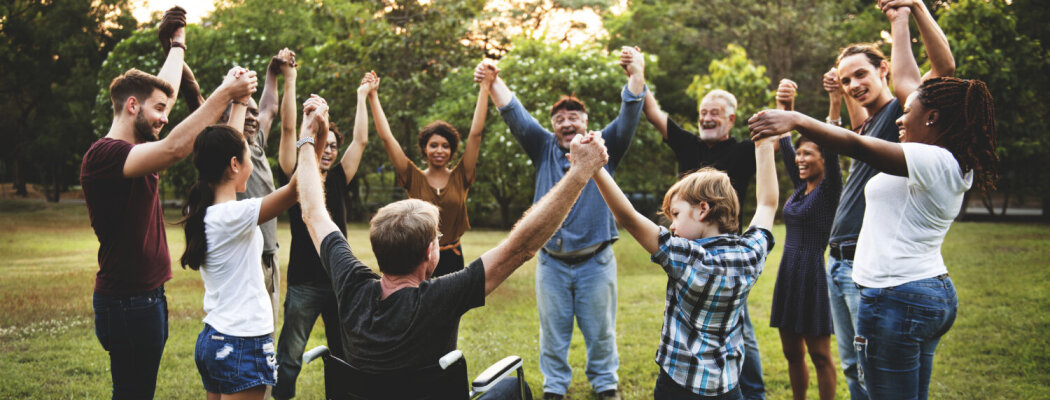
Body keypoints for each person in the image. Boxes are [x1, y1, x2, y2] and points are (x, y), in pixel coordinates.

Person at [749, 2, 993, 398]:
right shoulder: (926, 148)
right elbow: (858, 129)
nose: (900, 118)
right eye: (846, 80)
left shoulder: (927, 155)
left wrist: (796, 119)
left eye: (861, 74)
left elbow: (924, 81)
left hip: (896, 292)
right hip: (905, 283)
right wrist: (901, 16)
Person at [297, 116, 611, 399]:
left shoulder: (350, 284)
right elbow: (522, 246)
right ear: (429, 254)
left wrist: (306, 137)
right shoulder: (442, 296)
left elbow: (313, 212)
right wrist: (580, 172)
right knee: (515, 387)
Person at [80, 10, 256, 397]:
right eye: (158, 111)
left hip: (144, 298)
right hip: (127, 303)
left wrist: (177, 44)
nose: (164, 117)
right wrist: (225, 93)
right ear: (131, 106)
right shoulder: (105, 154)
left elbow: (164, 94)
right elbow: (176, 146)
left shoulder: (136, 149)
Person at [476, 46, 648, 400]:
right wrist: (494, 81)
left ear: (586, 122)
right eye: (560, 119)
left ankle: (605, 385)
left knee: (601, 332)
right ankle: (555, 388)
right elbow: (514, 113)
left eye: (574, 116)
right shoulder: (542, 148)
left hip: (596, 262)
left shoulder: (604, 147)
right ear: (553, 126)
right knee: (552, 333)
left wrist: (636, 73)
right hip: (551, 263)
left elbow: (630, 112)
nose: (567, 122)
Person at [591, 117, 779, 399]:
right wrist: (763, 144)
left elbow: (627, 218)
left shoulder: (687, 257)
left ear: (702, 209)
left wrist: (596, 168)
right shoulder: (750, 253)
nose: (672, 226)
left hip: (679, 387)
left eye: (676, 215)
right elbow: (767, 202)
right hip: (727, 386)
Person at [179, 96, 325, 399]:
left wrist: (316, 135)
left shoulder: (207, 209)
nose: (252, 165)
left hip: (214, 339)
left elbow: (300, 182)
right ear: (234, 165)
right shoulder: (234, 215)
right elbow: (297, 189)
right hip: (241, 341)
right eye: (249, 158)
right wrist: (309, 134)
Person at [636, 56, 764, 399]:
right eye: (703, 113)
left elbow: (773, 154)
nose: (707, 118)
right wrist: (639, 75)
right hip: (689, 249)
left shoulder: (743, 151)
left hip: (728, 255)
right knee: (690, 318)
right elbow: (653, 114)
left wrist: (785, 113)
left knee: (739, 330)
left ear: (731, 119)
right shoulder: (689, 144)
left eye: (715, 113)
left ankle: (752, 391)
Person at [179, 49, 299, 346]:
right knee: (256, 342)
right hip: (246, 260)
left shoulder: (252, 147)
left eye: (254, 112)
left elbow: (268, 106)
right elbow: (193, 92)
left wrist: (272, 71)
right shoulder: (225, 163)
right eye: (245, 111)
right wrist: (176, 53)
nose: (252, 117)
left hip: (266, 255)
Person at [272, 71, 369, 400]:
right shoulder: (296, 176)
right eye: (322, 145)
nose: (327, 151)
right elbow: (287, 130)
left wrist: (362, 96)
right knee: (289, 356)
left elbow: (361, 141)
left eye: (332, 147)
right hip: (303, 284)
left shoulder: (341, 177)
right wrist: (291, 82)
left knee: (344, 354)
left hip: (339, 282)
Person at [365, 68, 490, 277]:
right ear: (425, 149)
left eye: (445, 146)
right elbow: (387, 138)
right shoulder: (412, 177)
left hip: (452, 257)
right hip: (417, 258)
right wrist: (373, 96)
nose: (439, 150)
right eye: (433, 145)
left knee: (451, 310)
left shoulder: (461, 176)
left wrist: (484, 88)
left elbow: (475, 134)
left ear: (452, 151)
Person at [767, 79, 840, 400]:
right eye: (799, 153)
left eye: (808, 153)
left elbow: (834, 143)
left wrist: (834, 101)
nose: (800, 158)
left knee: (820, 355)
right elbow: (784, 145)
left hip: (812, 275)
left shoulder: (829, 190)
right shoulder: (801, 187)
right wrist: (785, 106)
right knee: (791, 353)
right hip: (788, 274)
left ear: (824, 159)